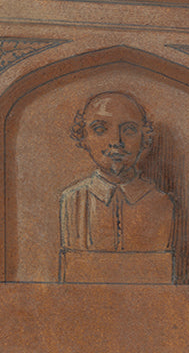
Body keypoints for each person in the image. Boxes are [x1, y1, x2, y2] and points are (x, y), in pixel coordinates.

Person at [59, 92, 174, 282]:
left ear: (144, 138)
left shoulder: (161, 203)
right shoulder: (72, 200)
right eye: (100, 129)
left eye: (129, 130)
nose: (116, 141)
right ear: (83, 137)